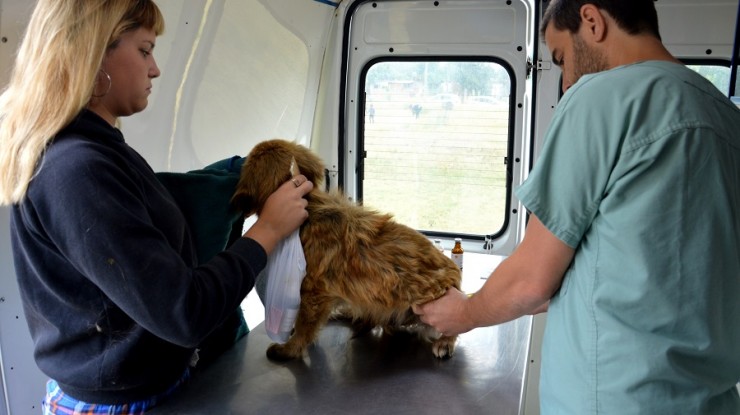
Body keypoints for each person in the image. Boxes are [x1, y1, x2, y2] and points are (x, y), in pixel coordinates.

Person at [414, 0, 740, 413]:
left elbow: (531, 280)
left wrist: (463, 314)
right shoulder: (726, 115)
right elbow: (666, 270)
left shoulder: (603, 98)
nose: (566, 82)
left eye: (561, 58)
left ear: (592, 20)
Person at [0, 0, 312, 413]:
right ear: (94, 53)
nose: (155, 69)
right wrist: (267, 230)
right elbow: (184, 313)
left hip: (150, 386)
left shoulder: (99, 148)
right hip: (121, 404)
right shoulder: (78, 170)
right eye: (144, 50)